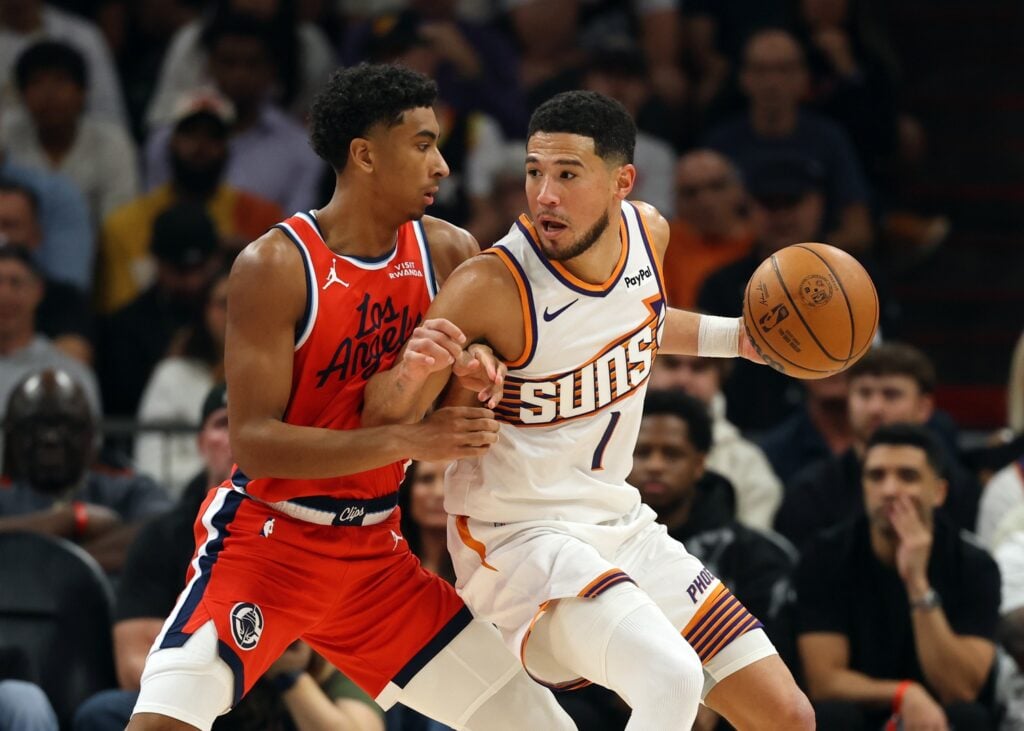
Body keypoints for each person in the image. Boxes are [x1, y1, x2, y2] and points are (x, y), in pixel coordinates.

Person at [126, 63, 575, 731]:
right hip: (268, 543)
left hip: (373, 555)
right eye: (423, 144)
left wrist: (479, 370)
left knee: (539, 725)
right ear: (365, 154)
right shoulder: (274, 266)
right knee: (162, 723)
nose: (443, 166)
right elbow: (253, 442)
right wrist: (406, 440)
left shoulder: (450, 251)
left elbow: (458, 406)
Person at [364, 89, 813, 730]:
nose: (544, 194)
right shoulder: (491, 286)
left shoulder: (648, 234)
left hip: (618, 522)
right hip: (515, 540)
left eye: (567, 174)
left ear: (621, 182)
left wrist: (737, 338)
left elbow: (642, 321)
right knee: (671, 676)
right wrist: (426, 370)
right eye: (534, 172)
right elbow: (380, 421)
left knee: (786, 716)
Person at [73, 384, 386, 731]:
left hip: (287, 699)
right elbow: (132, 665)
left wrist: (289, 672)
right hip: (193, 698)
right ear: (201, 443)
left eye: (258, 426)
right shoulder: (161, 536)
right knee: (105, 711)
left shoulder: (328, 528)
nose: (239, 437)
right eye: (225, 423)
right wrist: (226, 661)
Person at [796, 423, 999, 730]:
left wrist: (917, 583)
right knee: (834, 716)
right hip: (863, 711)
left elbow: (960, 688)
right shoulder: (825, 556)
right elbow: (824, 681)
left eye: (908, 476)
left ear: (939, 492)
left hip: (935, 718)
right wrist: (903, 693)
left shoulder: (974, 564)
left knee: (969, 718)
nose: (890, 490)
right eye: (876, 476)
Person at [774, 342, 982, 550]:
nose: (875, 408)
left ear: (923, 407)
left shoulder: (961, 492)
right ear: (849, 400)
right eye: (864, 393)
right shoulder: (810, 493)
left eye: (891, 394)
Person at [96, 90, 282, 315]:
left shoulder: (263, 219)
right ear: (170, 143)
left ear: (228, 148)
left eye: (212, 136)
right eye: (190, 134)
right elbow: (120, 314)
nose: (200, 147)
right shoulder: (124, 225)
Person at [703, 28, 873, 253]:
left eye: (784, 70)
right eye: (761, 70)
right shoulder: (719, 145)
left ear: (803, 77)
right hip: (738, 267)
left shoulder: (829, 139)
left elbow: (858, 230)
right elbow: (701, 229)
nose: (772, 82)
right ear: (744, 78)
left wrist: (801, 258)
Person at [0, 368, 171, 574]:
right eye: (35, 425)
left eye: (65, 425)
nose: (50, 438)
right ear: (11, 435)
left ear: (90, 434)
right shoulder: (4, 494)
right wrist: (70, 519)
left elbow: (163, 534)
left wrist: (66, 563)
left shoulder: (126, 487)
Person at [4, 40, 139, 225]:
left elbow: (119, 220)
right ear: (22, 95)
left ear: (83, 92)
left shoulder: (112, 142)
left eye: (60, 80)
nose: (48, 94)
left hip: (97, 250)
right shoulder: (5, 136)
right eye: (36, 82)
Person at [648, 353, 783, 530]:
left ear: (720, 377)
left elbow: (750, 548)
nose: (683, 379)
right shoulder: (609, 442)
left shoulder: (747, 463)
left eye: (699, 368)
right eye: (671, 364)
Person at [134, 269, 229, 496]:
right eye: (224, 303)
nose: (237, 312)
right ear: (205, 310)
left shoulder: (283, 372)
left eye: (248, 301)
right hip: (185, 501)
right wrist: (221, 470)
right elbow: (152, 465)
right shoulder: (172, 375)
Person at [0, 245, 99, 425]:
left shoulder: (70, 374)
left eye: (15, 283)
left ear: (37, 291)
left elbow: (86, 444)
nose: (4, 295)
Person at [0, 179, 94, 363]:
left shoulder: (65, 300)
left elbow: (73, 361)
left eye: (10, 225)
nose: (1, 236)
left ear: (36, 235)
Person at [661, 149, 754, 310]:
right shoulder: (662, 241)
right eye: (691, 193)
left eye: (716, 186)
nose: (705, 201)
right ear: (676, 202)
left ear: (739, 190)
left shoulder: (762, 238)